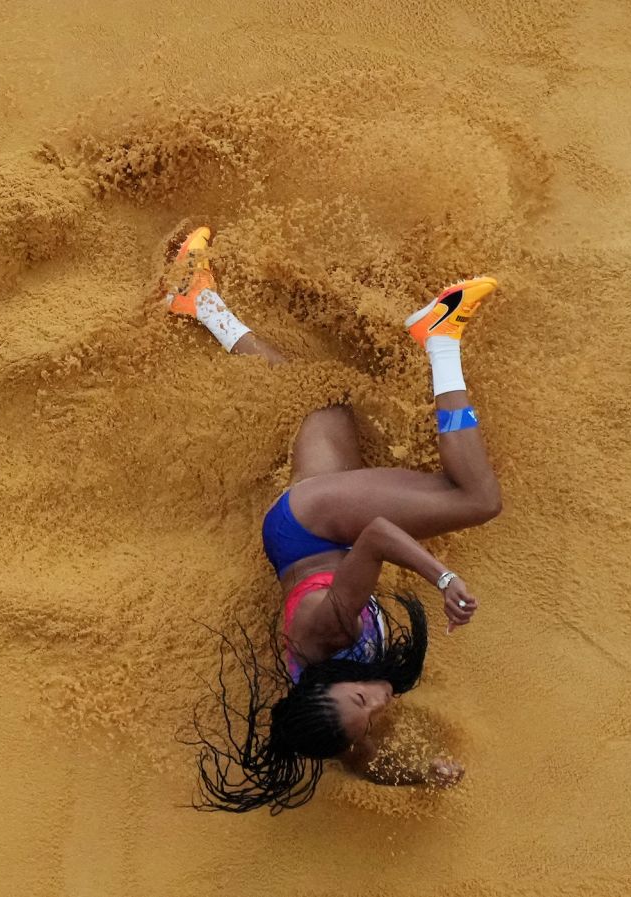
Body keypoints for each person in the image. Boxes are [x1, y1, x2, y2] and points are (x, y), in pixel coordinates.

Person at [168, 226, 502, 813]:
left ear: (325, 684)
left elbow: (374, 537)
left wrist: (443, 580)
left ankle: (440, 338)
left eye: (361, 701)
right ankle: (201, 303)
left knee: (475, 500)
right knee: (326, 400)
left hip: (318, 526)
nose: (378, 704)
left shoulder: (331, 632)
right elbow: (363, 761)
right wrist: (423, 774)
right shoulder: (336, 728)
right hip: (292, 538)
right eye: (369, 717)